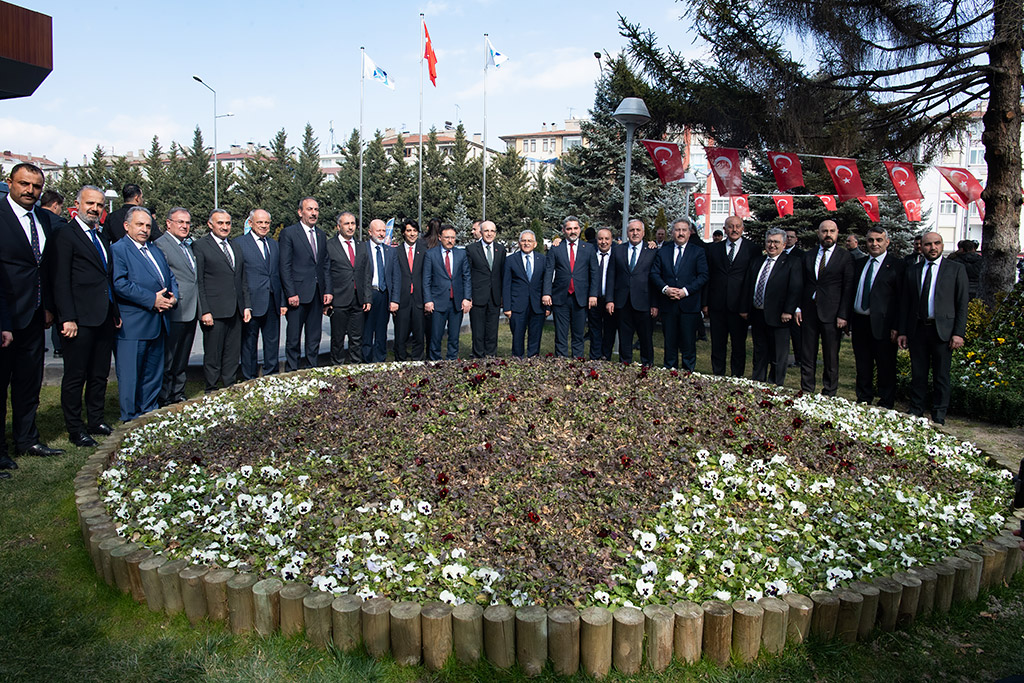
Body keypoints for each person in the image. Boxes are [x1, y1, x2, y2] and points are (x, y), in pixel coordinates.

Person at [0, 163, 64, 466]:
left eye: (37, 186)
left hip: (36, 315)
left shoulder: (44, 219)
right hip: (7, 316)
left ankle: (26, 440)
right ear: (10, 183)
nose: (31, 191)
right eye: (25, 184)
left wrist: (48, 305)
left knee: (29, 383)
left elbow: (45, 268)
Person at [52, 185, 119, 447]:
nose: (94, 209)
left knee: (99, 373)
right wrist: (66, 317)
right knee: (75, 375)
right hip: (78, 319)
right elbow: (60, 279)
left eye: (99, 205)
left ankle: (96, 419)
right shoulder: (65, 235)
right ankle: (75, 428)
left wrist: (114, 312)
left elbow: (106, 279)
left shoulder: (100, 237)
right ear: (77, 204)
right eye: (90, 203)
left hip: (103, 316)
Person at [111, 207, 178, 422]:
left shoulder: (154, 249)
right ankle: (130, 417)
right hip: (134, 324)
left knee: (152, 372)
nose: (145, 229)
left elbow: (169, 276)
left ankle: (148, 410)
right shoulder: (119, 249)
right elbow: (120, 284)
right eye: (139, 225)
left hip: (158, 321)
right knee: (131, 374)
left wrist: (173, 297)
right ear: (126, 225)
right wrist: (152, 299)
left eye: (148, 225)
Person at [897, 231, 968, 425]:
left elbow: (962, 304)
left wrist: (958, 333)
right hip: (918, 329)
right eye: (928, 244)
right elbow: (906, 303)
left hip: (943, 330)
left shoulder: (955, 269)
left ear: (942, 245)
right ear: (922, 247)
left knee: (941, 375)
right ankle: (916, 408)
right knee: (918, 372)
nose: (933, 247)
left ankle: (939, 413)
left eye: (937, 243)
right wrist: (902, 331)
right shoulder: (913, 270)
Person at [193, 209, 251, 391]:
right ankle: (211, 387)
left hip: (235, 309)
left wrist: (246, 306)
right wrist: (204, 310)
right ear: (210, 224)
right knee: (213, 353)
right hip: (214, 311)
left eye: (228, 223)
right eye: (220, 223)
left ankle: (229, 385)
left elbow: (242, 279)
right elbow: (199, 281)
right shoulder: (201, 246)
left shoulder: (234, 246)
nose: (225, 227)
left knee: (232, 352)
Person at [796, 219, 855, 396]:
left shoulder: (845, 257)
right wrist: (798, 308)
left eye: (831, 231)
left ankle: (829, 391)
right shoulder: (808, 255)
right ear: (818, 233)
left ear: (837, 233)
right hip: (809, 312)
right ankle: (807, 389)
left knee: (830, 356)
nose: (828, 234)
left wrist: (843, 315)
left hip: (832, 314)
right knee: (807, 354)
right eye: (824, 231)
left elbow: (848, 287)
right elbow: (802, 284)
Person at [850, 226, 904, 409]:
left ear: (887, 242)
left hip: (884, 325)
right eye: (871, 240)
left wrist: (897, 326)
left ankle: (886, 400)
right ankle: (864, 397)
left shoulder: (897, 266)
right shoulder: (859, 264)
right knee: (862, 363)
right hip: (860, 322)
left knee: (885, 365)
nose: (874, 244)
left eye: (879, 240)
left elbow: (901, 299)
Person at [741, 228, 801, 386]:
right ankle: (758, 382)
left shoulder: (792, 263)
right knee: (760, 352)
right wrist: (745, 308)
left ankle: (775, 385)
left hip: (779, 316)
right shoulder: (758, 261)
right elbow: (748, 286)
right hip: (758, 314)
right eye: (769, 241)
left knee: (778, 355)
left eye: (776, 242)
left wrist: (788, 311)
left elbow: (795, 288)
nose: (772, 245)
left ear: (784, 244)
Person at [280, 197, 332, 370]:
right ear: (300, 212)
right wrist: (290, 293)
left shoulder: (321, 234)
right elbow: (285, 266)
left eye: (316, 209)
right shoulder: (289, 233)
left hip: (317, 294)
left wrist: (327, 291)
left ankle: (312, 369)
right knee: (294, 337)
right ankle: (291, 371)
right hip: (298, 294)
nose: (314, 213)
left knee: (314, 337)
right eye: (309, 209)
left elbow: (325, 265)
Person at [154, 208, 198, 405]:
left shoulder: (187, 246)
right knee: (169, 357)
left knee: (182, 356)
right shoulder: (161, 245)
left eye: (187, 223)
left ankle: (178, 391)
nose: (184, 226)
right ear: (168, 223)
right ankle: (164, 395)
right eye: (180, 222)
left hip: (191, 308)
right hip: (175, 308)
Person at [651, 218, 709, 370]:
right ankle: (670, 373)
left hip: (689, 306)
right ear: (672, 233)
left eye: (684, 230)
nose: (681, 233)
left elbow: (703, 276)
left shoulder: (698, 252)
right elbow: (655, 273)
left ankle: (687, 374)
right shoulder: (663, 251)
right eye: (677, 230)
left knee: (688, 343)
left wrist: (685, 291)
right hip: (668, 305)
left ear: (690, 233)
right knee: (669, 343)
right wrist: (665, 289)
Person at [704, 215, 756, 377]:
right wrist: (705, 303)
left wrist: (747, 306)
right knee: (718, 344)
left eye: (738, 226)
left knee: (738, 345)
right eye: (731, 227)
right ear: (725, 229)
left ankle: (737, 377)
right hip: (717, 305)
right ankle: (718, 375)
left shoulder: (752, 249)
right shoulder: (713, 249)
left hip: (739, 307)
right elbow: (708, 277)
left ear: (742, 229)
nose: (734, 230)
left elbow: (752, 280)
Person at [236, 209, 284, 379]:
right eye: (260, 222)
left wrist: (282, 301)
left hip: (272, 300)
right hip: (252, 302)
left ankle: (271, 375)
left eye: (267, 223)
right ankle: (249, 378)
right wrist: (244, 304)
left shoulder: (274, 245)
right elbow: (239, 276)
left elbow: (279, 274)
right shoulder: (239, 244)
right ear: (250, 223)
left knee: (272, 342)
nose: (264, 226)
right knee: (249, 342)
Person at [543, 216, 598, 358]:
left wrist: (593, 295)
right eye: (569, 229)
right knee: (561, 335)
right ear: (563, 230)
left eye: (575, 228)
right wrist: (546, 293)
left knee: (578, 334)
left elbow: (594, 272)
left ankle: (577, 364)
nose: (572, 231)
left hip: (581, 297)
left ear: (580, 229)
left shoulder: (589, 248)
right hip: (560, 297)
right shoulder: (556, 248)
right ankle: (562, 364)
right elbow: (549, 272)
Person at [606, 218, 657, 366]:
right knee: (624, 337)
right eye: (631, 230)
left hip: (644, 302)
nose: (635, 233)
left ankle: (647, 366)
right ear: (627, 233)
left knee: (646, 337)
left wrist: (655, 304)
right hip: (622, 302)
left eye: (638, 230)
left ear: (643, 233)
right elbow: (611, 276)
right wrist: (610, 299)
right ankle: (625, 365)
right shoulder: (618, 250)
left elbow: (655, 279)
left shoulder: (652, 250)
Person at [325, 212, 371, 364]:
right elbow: (327, 273)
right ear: (338, 227)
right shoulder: (330, 246)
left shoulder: (362, 246)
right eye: (347, 224)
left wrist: (367, 298)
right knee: (338, 339)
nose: (351, 227)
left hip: (358, 300)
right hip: (339, 299)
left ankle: (355, 368)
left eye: (353, 223)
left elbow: (366, 273)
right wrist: (327, 297)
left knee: (356, 338)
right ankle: (337, 367)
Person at [423, 224, 472, 360]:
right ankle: (435, 363)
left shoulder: (461, 254)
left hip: (456, 302)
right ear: (440, 238)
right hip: (437, 302)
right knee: (436, 336)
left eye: (453, 238)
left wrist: (467, 298)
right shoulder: (431, 255)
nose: (450, 240)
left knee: (454, 336)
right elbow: (426, 279)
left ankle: (452, 362)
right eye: (447, 237)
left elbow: (466, 277)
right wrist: (428, 300)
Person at [502, 230, 547, 358]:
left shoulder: (542, 259)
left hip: (537, 305)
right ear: (519, 242)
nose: (526, 243)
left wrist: (548, 307)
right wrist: (507, 307)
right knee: (517, 337)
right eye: (524, 240)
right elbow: (506, 284)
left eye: (529, 241)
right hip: (517, 306)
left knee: (535, 336)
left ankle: (533, 361)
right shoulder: (510, 260)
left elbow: (546, 283)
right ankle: (518, 361)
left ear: (535, 244)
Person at [361, 218, 400, 363]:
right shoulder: (363, 249)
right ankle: (366, 361)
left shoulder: (390, 251)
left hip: (384, 295)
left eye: (384, 230)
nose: (382, 234)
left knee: (381, 331)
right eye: (378, 230)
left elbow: (396, 276)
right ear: (370, 232)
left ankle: (380, 360)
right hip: (369, 294)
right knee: (367, 331)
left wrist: (394, 299)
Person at [466, 220, 506, 358]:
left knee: (492, 329)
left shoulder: (501, 249)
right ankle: (478, 356)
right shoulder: (471, 249)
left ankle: (491, 356)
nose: (489, 234)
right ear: (481, 232)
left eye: (492, 231)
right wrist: (468, 296)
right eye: (486, 231)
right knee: (478, 329)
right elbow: (468, 274)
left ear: (495, 233)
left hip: (495, 296)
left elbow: (502, 274)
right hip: (478, 296)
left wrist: (502, 297)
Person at [393, 219, 428, 361]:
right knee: (401, 334)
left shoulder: (425, 251)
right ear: (403, 233)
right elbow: (394, 276)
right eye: (409, 231)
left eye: (414, 231)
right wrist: (394, 300)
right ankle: (400, 361)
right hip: (402, 299)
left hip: (419, 298)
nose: (412, 234)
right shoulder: (396, 251)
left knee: (419, 334)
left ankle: (417, 361)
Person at [39, 189, 67, 358]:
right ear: (55, 205)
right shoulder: (59, 225)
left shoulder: (34, 219)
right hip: (52, 277)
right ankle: (59, 347)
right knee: (56, 315)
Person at [588, 228, 616, 360]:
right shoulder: (590, 252)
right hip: (594, 298)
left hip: (611, 299)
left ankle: (606, 356)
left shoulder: (618, 252)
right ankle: (595, 357)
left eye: (607, 239)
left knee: (610, 330)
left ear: (612, 240)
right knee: (594, 329)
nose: (603, 242)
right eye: (600, 239)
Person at [784, 227, 804, 367]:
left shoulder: (801, 255)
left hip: (795, 303)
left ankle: (799, 359)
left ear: (796, 239)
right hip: (780, 301)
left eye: (792, 237)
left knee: (797, 334)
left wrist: (798, 306)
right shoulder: (778, 253)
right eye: (787, 237)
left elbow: (801, 282)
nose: (789, 239)